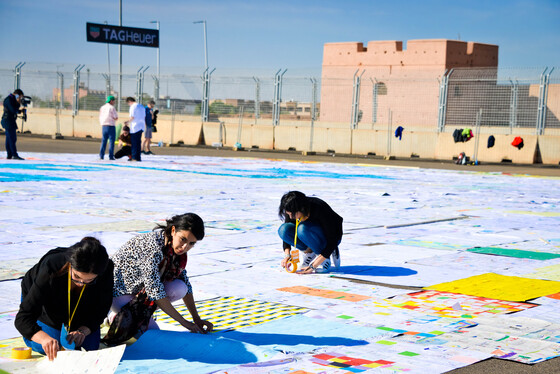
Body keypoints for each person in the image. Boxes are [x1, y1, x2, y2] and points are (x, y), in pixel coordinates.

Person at [105, 213, 213, 345]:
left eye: (191, 243)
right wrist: (185, 323)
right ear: (173, 231)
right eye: (183, 239)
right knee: (153, 335)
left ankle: (121, 315)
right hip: (118, 293)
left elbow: (186, 283)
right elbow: (155, 292)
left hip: (139, 293)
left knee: (180, 287)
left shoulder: (174, 250)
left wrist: (196, 319)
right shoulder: (154, 247)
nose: (185, 247)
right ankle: (118, 314)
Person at [14, 237, 113, 361]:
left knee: (88, 347)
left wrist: (83, 330)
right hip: (48, 302)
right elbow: (23, 317)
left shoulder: (106, 269)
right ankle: (34, 337)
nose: (81, 284)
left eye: (89, 280)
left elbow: (102, 307)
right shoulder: (52, 266)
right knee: (52, 346)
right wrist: (44, 338)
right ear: (70, 265)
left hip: (81, 304)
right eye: (76, 277)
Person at [278, 191, 342, 274]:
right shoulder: (291, 207)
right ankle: (310, 251)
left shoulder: (319, 207)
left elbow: (333, 237)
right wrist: (287, 255)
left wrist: (313, 265)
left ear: (301, 208)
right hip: (311, 234)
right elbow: (286, 231)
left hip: (331, 236)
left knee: (302, 229)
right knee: (284, 229)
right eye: (288, 214)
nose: (291, 217)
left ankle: (324, 258)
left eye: (292, 214)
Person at [1, 89, 25, 160]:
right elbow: (13, 110)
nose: (20, 98)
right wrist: (18, 104)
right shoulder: (9, 100)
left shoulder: (12, 99)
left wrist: (20, 108)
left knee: (9, 139)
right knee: (12, 138)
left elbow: (15, 109)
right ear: (17, 94)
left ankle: (10, 155)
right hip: (7, 121)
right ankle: (14, 155)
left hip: (10, 121)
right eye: (20, 97)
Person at [124, 97, 145, 162]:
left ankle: (134, 157)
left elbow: (132, 117)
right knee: (138, 143)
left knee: (134, 143)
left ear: (129, 101)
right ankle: (138, 157)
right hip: (141, 126)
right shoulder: (141, 106)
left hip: (135, 127)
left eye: (128, 103)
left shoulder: (133, 107)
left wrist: (127, 122)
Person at [99, 95, 118, 160]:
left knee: (103, 141)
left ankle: (101, 156)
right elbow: (115, 117)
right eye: (114, 101)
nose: (114, 102)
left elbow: (100, 116)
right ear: (111, 101)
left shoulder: (102, 107)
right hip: (111, 126)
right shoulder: (112, 108)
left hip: (104, 126)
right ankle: (110, 156)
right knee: (111, 142)